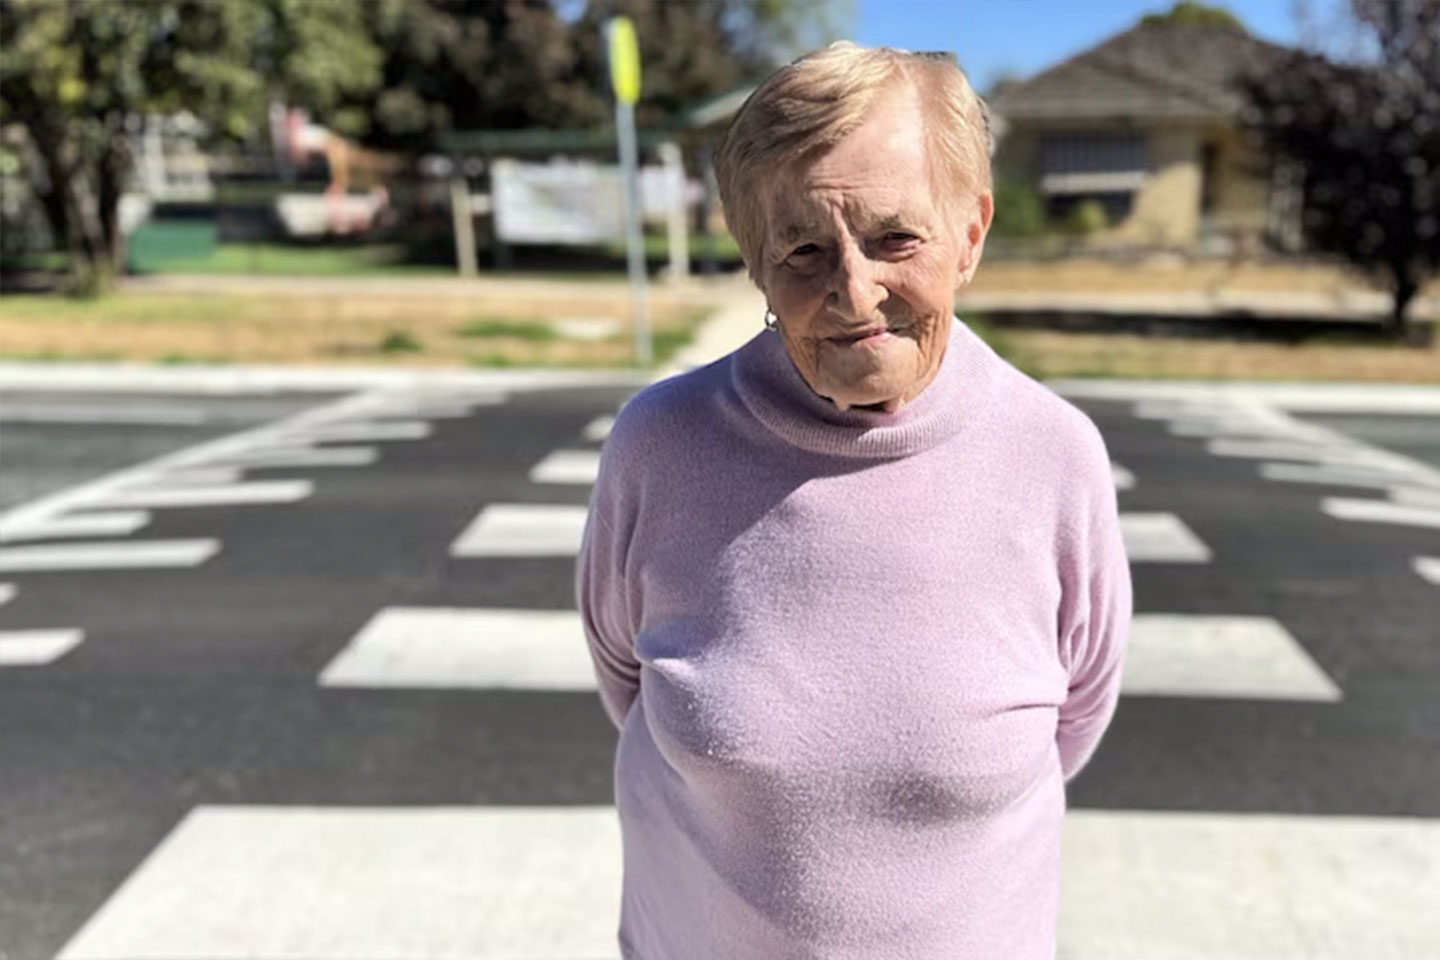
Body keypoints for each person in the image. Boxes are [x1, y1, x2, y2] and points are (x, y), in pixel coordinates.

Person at [577, 42, 1131, 960]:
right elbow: (627, 683)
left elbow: (1075, 718)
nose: (854, 290)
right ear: (755, 263)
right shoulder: (659, 447)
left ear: (971, 233)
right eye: (801, 248)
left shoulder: (1054, 459)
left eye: (895, 238)